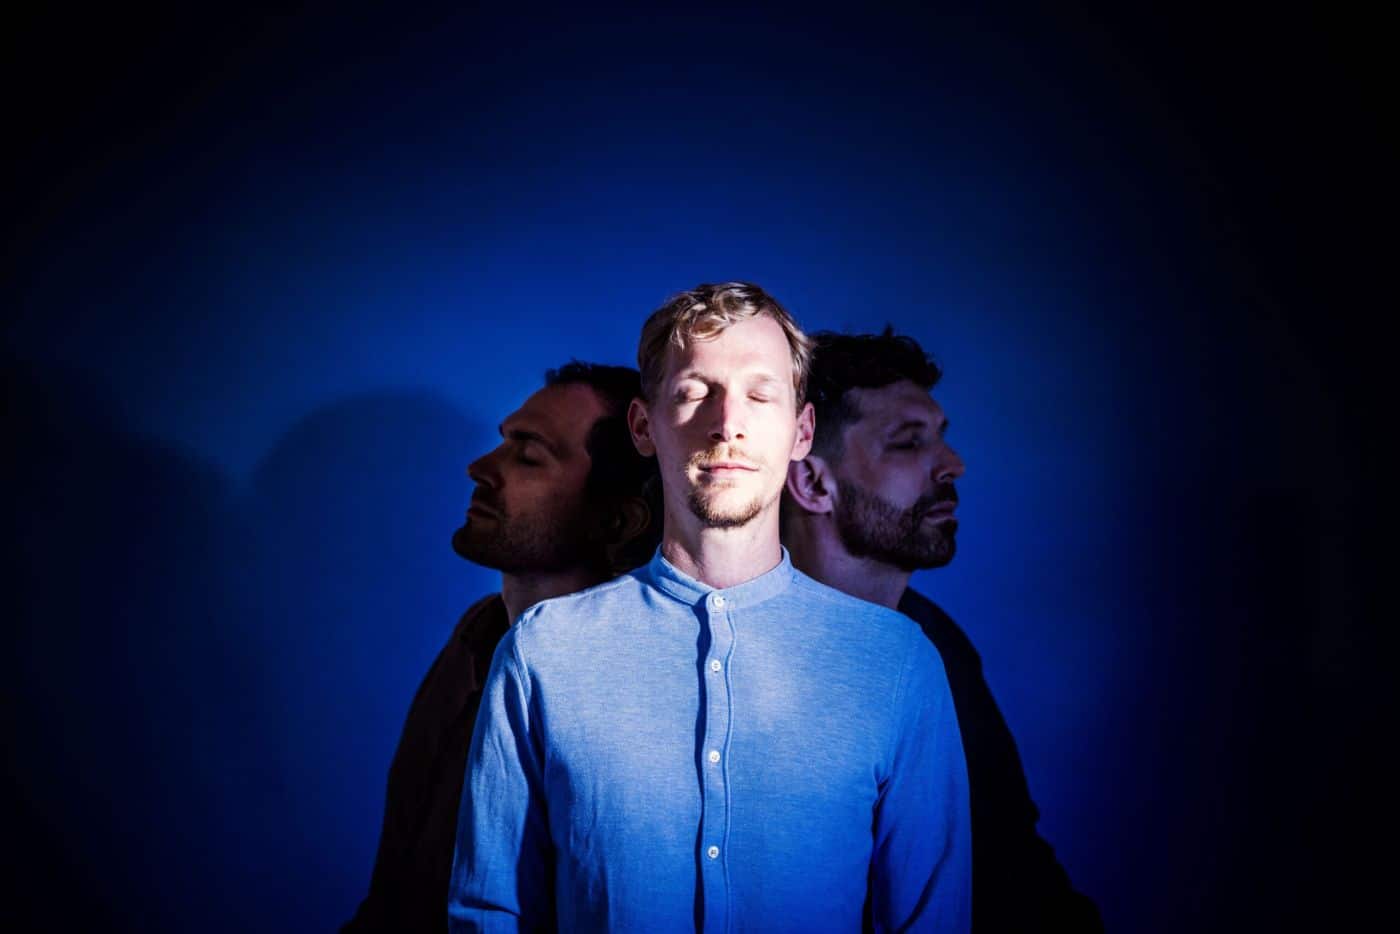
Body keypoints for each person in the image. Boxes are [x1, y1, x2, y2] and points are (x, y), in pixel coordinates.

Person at [450, 283, 971, 932]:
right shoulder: (540, 653)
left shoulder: (898, 664)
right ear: (643, 427)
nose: (728, 425)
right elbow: (489, 913)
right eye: (695, 392)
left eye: (761, 395)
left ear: (802, 431)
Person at [781, 328, 1103, 932]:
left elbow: (1008, 859)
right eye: (908, 443)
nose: (953, 465)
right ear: (814, 483)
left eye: (940, 437)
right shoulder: (744, 658)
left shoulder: (937, 644)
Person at [343, 362, 660, 934]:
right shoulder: (476, 637)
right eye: (504, 443)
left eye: (528, 455)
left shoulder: (630, 700)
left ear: (617, 519)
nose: (481, 468)